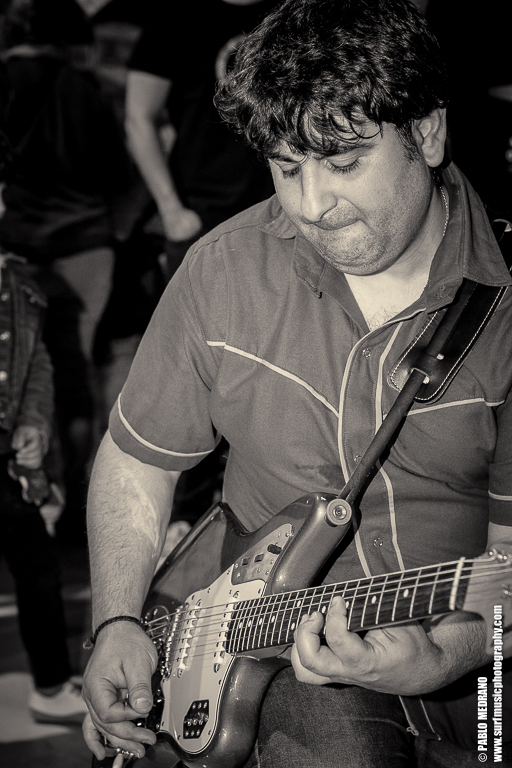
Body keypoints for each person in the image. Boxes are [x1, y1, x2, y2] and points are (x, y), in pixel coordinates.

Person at [82, 0, 512, 766]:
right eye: (287, 168)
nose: (312, 205)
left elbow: (508, 571)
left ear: (427, 133)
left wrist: (443, 656)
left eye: (343, 163)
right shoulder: (223, 269)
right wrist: (115, 622)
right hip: (264, 650)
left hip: (480, 668)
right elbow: (136, 460)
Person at [0, 0, 135, 539]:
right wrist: (115, 234)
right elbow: (120, 173)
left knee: (21, 378)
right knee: (74, 378)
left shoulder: (6, 81)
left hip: (15, 250)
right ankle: (78, 509)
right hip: (86, 248)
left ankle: (29, 504)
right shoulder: (84, 89)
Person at [0, 251, 88, 724]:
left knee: (39, 570)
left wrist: (33, 424)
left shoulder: (20, 283)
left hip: (9, 462)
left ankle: (51, 686)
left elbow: (36, 365)